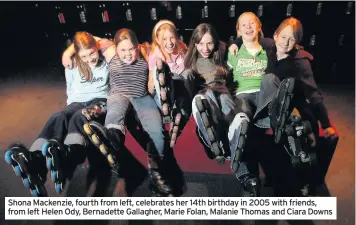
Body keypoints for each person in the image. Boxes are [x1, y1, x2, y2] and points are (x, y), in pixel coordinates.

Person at [62, 28, 179, 197]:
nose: (128, 54)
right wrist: (68, 52)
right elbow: (88, 39)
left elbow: (170, 46)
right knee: (114, 119)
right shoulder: (109, 52)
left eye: (131, 49)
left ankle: (159, 175)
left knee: (157, 132)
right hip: (118, 95)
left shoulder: (146, 52)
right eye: (123, 50)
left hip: (141, 97)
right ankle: (110, 145)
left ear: (137, 46)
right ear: (116, 48)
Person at [4, 31, 109, 197]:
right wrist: (66, 111)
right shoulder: (73, 64)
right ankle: (35, 160)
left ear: (97, 48)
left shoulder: (106, 58)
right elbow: (71, 89)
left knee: (79, 117)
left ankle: (70, 154)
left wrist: (71, 49)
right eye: (84, 56)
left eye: (92, 53)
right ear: (77, 55)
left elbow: (112, 44)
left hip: (100, 100)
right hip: (77, 100)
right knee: (58, 117)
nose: (89, 59)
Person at [182, 23, 257, 196]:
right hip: (205, 95)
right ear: (195, 43)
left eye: (209, 43)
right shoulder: (191, 59)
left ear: (216, 42)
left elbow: (243, 41)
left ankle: (233, 136)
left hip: (223, 92)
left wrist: (235, 44)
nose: (205, 48)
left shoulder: (222, 51)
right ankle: (214, 140)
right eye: (200, 44)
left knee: (227, 105)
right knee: (206, 98)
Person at [147, 19, 189, 148]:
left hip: (181, 90)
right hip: (163, 92)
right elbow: (150, 86)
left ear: (176, 37)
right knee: (166, 75)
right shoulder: (156, 55)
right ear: (157, 40)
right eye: (164, 39)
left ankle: (173, 120)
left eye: (172, 38)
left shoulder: (182, 47)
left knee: (186, 76)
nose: (169, 43)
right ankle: (167, 106)